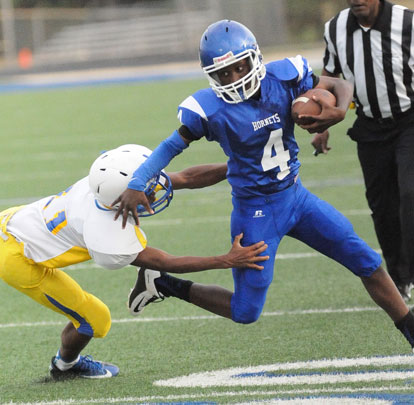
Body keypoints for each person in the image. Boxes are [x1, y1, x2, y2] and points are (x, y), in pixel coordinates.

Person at [113, 19, 414, 351]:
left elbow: (339, 85)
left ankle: (409, 329)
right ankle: (165, 284)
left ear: (254, 57)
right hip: (256, 211)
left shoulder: (284, 76)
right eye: (222, 73)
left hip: (297, 199)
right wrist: (138, 181)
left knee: (367, 261)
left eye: (238, 67)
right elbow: (171, 145)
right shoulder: (209, 109)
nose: (233, 77)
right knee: (245, 311)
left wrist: (339, 112)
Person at [0, 144, 268, 380]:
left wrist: (238, 166)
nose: (156, 189)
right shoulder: (105, 233)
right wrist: (226, 260)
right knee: (95, 319)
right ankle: (65, 365)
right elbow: (164, 261)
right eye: (147, 188)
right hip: (18, 258)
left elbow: (185, 177)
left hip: (15, 220)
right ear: (120, 201)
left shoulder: (107, 186)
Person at [311, 0, 414, 301]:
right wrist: (322, 123)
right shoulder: (335, 28)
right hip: (370, 126)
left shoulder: (407, 22)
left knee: (410, 194)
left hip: (410, 120)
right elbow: (330, 76)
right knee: (382, 207)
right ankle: (399, 277)